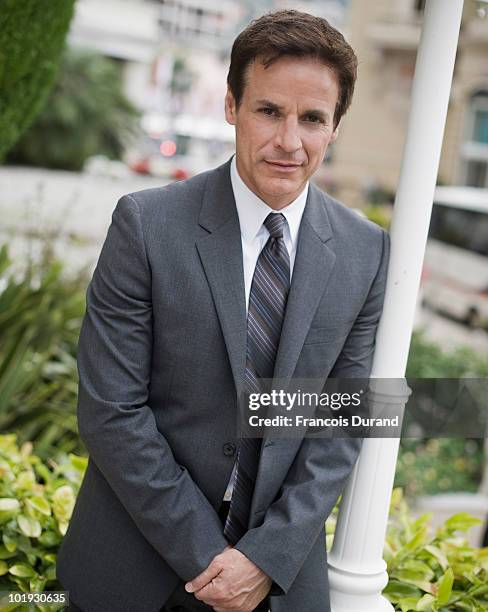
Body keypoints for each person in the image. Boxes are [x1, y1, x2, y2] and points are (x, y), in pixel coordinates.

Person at [56, 9, 390, 612]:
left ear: (335, 126)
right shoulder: (145, 224)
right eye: (269, 111)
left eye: (312, 118)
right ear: (232, 105)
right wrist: (213, 562)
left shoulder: (365, 250)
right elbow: (111, 410)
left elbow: (341, 420)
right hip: (134, 572)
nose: (290, 141)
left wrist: (266, 558)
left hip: (280, 582)